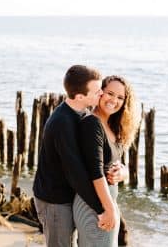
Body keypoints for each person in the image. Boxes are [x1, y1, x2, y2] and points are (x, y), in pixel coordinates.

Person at [33, 65, 103, 247]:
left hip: (67, 196)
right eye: (97, 91)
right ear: (80, 96)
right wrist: (101, 209)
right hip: (54, 201)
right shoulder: (62, 122)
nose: (101, 94)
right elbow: (75, 172)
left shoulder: (80, 112)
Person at [73, 75, 137, 247]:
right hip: (94, 207)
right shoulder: (91, 123)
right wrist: (108, 210)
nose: (114, 100)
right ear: (100, 92)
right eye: (110, 93)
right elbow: (95, 172)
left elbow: (115, 162)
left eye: (120, 97)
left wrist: (123, 172)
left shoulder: (112, 126)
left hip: (107, 204)